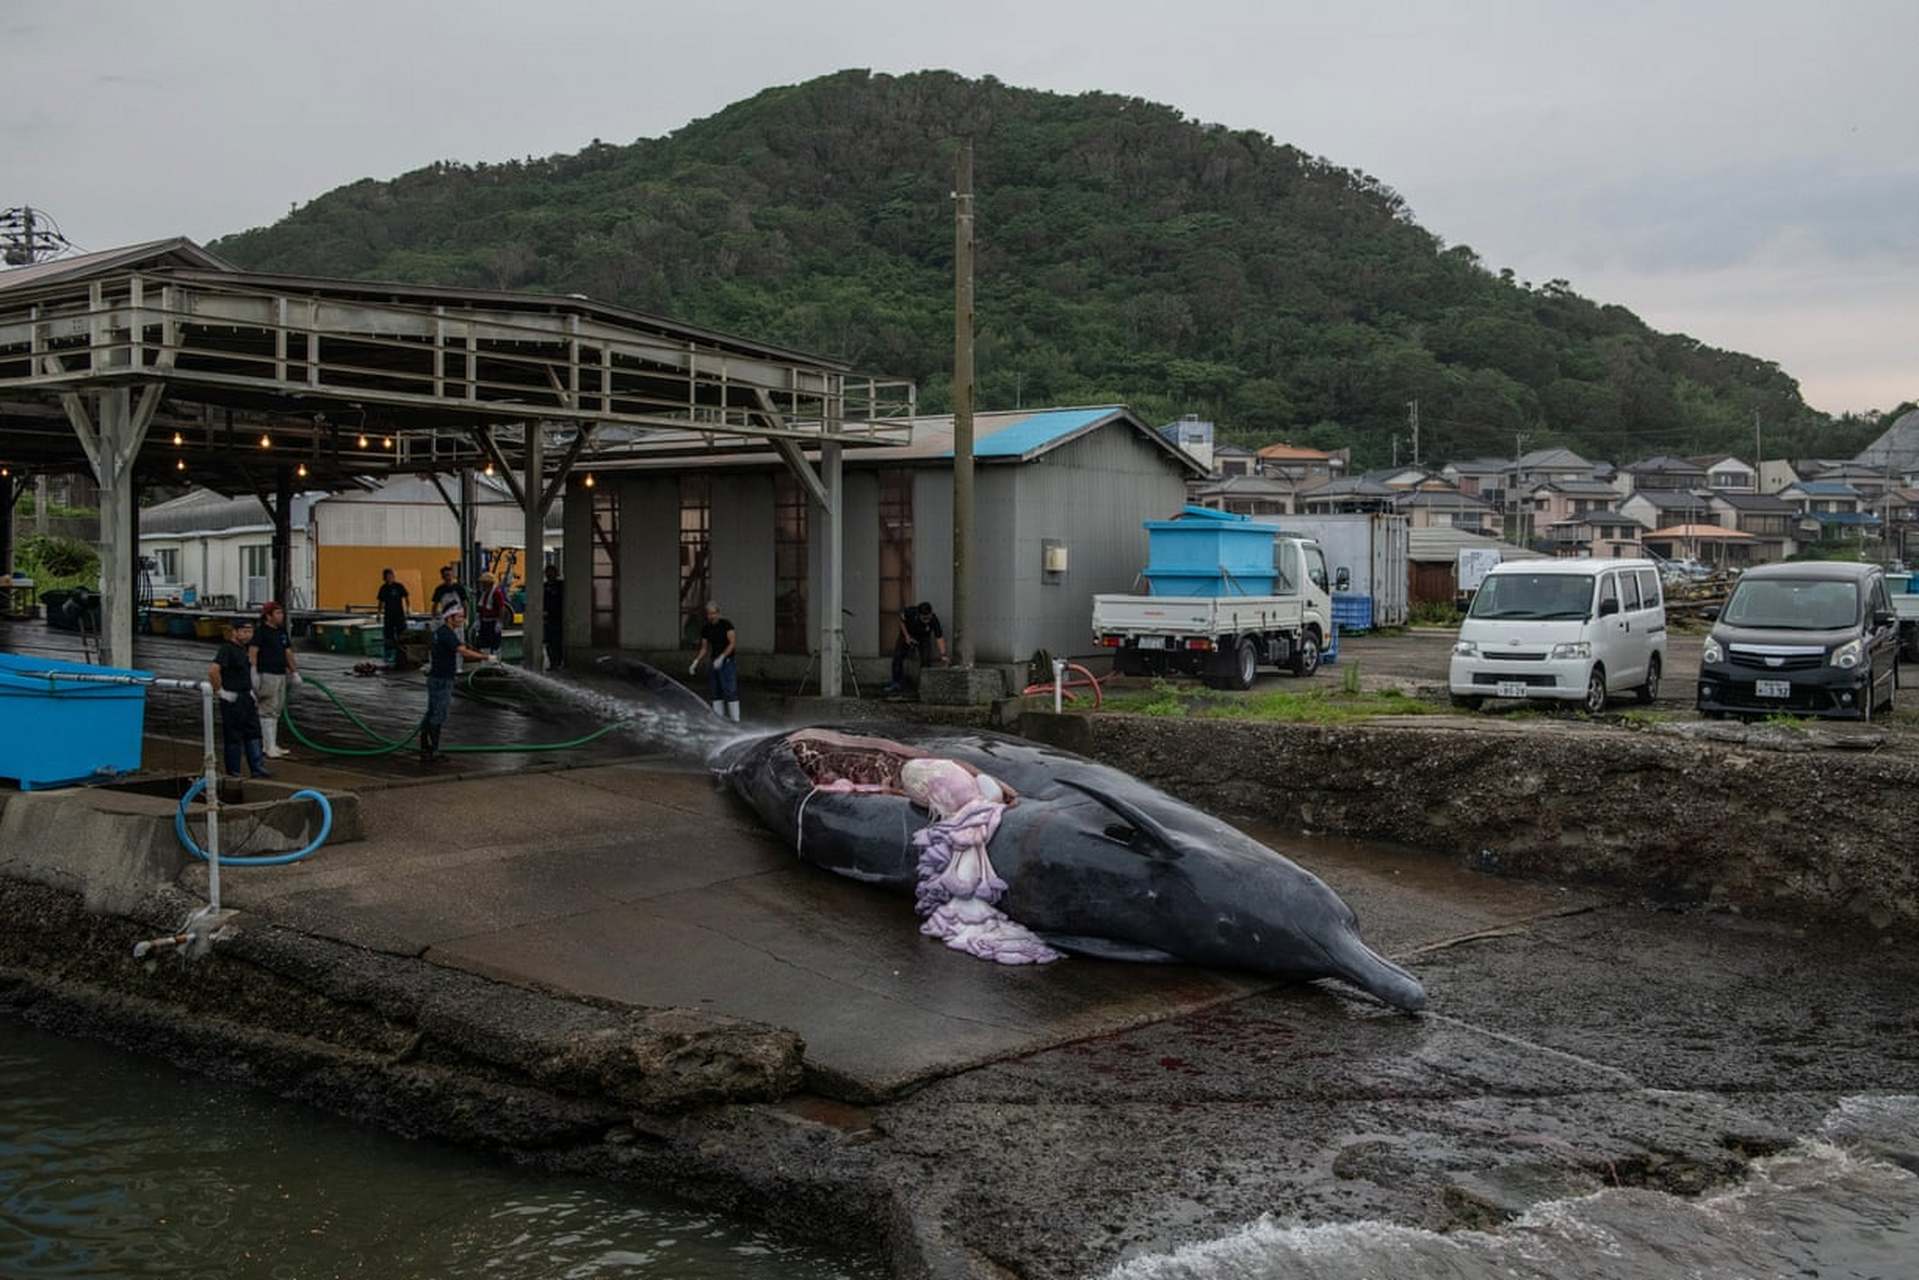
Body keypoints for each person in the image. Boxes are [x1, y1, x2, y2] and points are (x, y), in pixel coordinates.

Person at [422, 599, 495, 763]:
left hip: (435, 678)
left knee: (431, 713)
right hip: (442, 680)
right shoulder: (447, 634)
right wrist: (486, 657)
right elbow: (464, 652)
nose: (462, 620)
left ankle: (425, 747)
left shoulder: (440, 631)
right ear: (449, 618)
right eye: (459, 617)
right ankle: (433, 751)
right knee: (438, 714)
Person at [207, 619, 270, 778]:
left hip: (245, 695)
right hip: (232, 697)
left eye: (250, 631)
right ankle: (234, 771)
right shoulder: (227, 649)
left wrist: (251, 691)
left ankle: (257, 767)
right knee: (233, 735)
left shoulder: (245, 649)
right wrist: (220, 691)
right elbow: (213, 671)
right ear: (234, 632)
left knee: (253, 732)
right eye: (244, 631)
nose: (248, 634)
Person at [249, 601, 301, 759]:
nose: (281, 616)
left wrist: (294, 671)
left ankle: (272, 744)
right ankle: (268, 745)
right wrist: (254, 673)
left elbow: (288, 652)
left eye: (281, 613)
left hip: (280, 673)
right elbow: (253, 652)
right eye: (277, 613)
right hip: (267, 673)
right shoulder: (260, 632)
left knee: (277, 708)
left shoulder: (281, 631)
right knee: (268, 708)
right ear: (268, 616)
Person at [689, 601, 739, 721]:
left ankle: (736, 720)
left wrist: (722, 657)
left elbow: (732, 643)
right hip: (714, 661)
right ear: (707, 615)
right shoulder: (706, 628)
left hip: (727, 661)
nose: (712, 616)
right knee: (716, 692)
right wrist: (695, 662)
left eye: (714, 613)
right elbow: (704, 648)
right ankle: (719, 720)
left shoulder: (726, 624)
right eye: (709, 614)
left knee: (730, 690)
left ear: (718, 613)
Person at [886, 601, 949, 693]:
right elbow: (901, 621)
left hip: (923, 638)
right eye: (924, 618)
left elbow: (939, 637)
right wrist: (907, 636)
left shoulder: (934, 620)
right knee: (898, 657)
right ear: (919, 615)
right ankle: (896, 683)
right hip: (908, 634)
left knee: (926, 659)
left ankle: (925, 685)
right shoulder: (910, 612)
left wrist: (943, 654)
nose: (926, 620)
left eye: (928, 617)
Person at [376, 568, 410, 669]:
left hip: (399, 615)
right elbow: (381, 602)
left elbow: (406, 596)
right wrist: (378, 613)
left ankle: (403, 655)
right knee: (389, 635)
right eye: (387, 577)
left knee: (402, 634)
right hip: (388, 615)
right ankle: (389, 655)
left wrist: (408, 608)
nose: (389, 578)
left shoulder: (399, 586)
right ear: (384, 578)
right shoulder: (383, 588)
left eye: (391, 576)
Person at [474, 571, 510, 655]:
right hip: (484, 622)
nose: (482, 585)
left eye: (484, 583)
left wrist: (499, 622)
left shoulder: (496, 593)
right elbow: (480, 608)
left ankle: (495, 662)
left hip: (493, 622)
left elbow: (501, 608)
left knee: (494, 645)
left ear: (488, 583)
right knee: (484, 644)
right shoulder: (484, 593)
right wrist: (478, 620)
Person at [541, 564, 564, 669]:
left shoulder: (560, 586)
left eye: (551, 572)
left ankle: (558, 661)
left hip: (558, 618)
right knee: (548, 642)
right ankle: (552, 662)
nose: (549, 574)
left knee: (557, 641)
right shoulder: (544, 586)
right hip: (547, 618)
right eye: (547, 572)